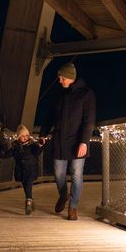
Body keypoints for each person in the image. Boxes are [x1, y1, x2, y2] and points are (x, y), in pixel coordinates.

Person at [39, 62, 96, 220]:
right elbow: (49, 116)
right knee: (58, 174)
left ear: (70, 77)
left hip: (78, 142)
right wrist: (43, 134)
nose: (60, 81)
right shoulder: (58, 94)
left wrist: (84, 142)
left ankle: (73, 207)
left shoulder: (86, 94)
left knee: (77, 175)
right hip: (59, 140)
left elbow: (89, 120)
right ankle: (63, 195)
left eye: (62, 78)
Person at [12, 124, 42, 215]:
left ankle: (28, 202)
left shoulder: (32, 145)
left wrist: (40, 145)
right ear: (18, 137)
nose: (25, 138)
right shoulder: (16, 146)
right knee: (25, 185)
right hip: (21, 170)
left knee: (28, 183)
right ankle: (30, 199)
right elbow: (12, 155)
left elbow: (37, 152)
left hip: (30, 169)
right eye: (22, 136)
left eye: (26, 135)